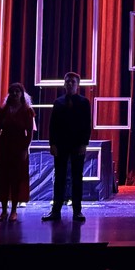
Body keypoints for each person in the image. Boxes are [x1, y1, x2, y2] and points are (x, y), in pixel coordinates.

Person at [42, 72, 92, 222]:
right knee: (60, 178)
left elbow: (86, 125)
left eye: (73, 82)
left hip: (77, 145)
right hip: (61, 145)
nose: (70, 84)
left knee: (77, 177)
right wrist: (52, 144)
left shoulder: (84, 102)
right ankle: (55, 210)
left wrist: (84, 143)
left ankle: (77, 211)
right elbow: (53, 125)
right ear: (64, 84)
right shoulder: (58, 102)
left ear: (78, 85)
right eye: (67, 82)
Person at [0, 82, 36, 222]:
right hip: (4, 148)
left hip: (19, 149)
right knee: (3, 179)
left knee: (16, 179)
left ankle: (14, 211)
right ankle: (4, 211)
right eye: (12, 91)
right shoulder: (3, 111)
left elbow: (29, 133)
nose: (15, 94)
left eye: (18, 91)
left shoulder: (27, 111)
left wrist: (25, 149)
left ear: (22, 94)